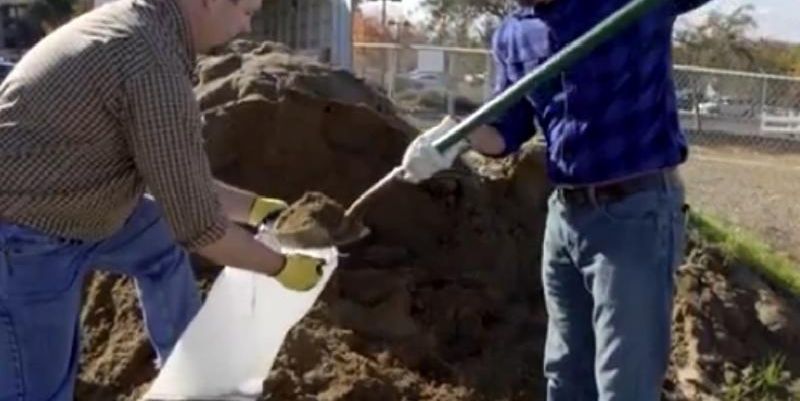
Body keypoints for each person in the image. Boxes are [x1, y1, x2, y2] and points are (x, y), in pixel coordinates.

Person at [0, 0, 325, 399]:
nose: (247, 26)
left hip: (82, 201)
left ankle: (191, 379)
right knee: (38, 391)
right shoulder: (151, 65)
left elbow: (180, 179)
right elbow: (202, 230)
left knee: (161, 246)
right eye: (246, 12)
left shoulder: (144, 27)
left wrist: (256, 208)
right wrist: (281, 267)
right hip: (24, 234)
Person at [402, 0, 710, 399]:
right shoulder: (514, 34)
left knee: (625, 384)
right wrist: (457, 136)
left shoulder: (627, 7)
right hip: (565, 217)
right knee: (566, 374)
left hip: (634, 213)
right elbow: (505, 132)